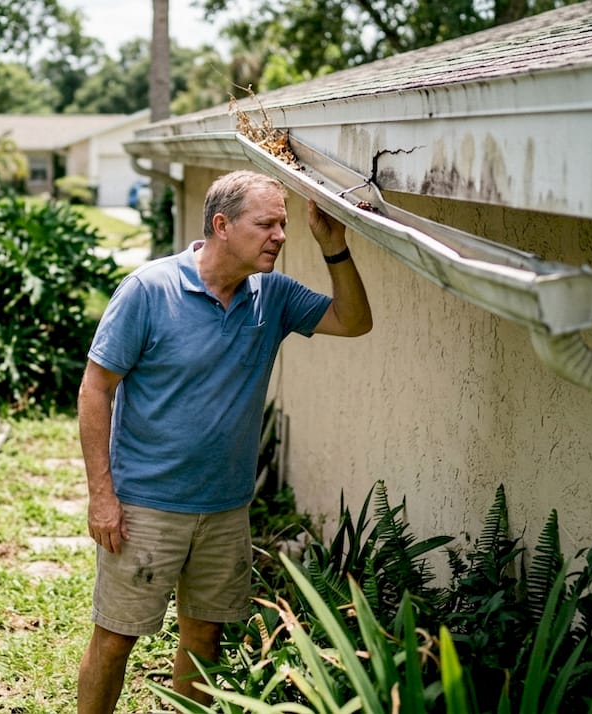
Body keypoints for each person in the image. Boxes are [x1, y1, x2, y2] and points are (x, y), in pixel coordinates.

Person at [76, 170, 372, 713]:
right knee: (117, 638)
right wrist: (102, 494)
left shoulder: (272, 297)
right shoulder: (150, 290)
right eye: (267, 224)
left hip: (226, 509)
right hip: (146, 506)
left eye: (283, 224)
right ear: (222, 225)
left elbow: (354, 322)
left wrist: (335, 249)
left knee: (205, 640)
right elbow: (96, 389)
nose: (281, 235)